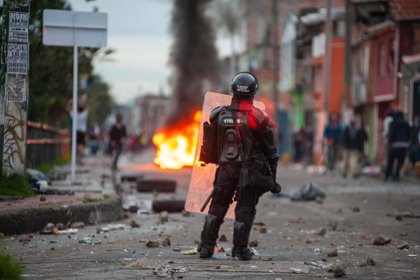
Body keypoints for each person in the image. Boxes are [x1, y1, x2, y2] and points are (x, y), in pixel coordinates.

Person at [197, 72, 281, 261]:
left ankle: (206, 247)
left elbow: (210, 149)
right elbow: (272, 153)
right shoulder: (259, 118)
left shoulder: (217, 114)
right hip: (248, 173)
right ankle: (240, 249)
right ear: (254, 92)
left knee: (217, 207)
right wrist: (273, 180)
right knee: (244, 210)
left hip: (225, 170)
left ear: (233, 90)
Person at [385, 111, 410, 182]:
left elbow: (391, 134)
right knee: (400, 162)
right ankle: (396, 175)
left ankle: (387, 176)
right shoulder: (406, 123)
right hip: (404, 145)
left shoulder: (392, 123)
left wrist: (390, 143)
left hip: (394, 145)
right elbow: (409, 135)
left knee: (390, 161)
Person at [67, 99, 89, 164]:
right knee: (81, 145)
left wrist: (70, 102)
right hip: (82, 132)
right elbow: (88, 108)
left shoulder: (74, 114)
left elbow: (68, 109)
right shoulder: (84, 115)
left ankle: (75, 158)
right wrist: (84, 102)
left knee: (75, 145)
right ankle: (79, 158)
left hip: (75, 131)